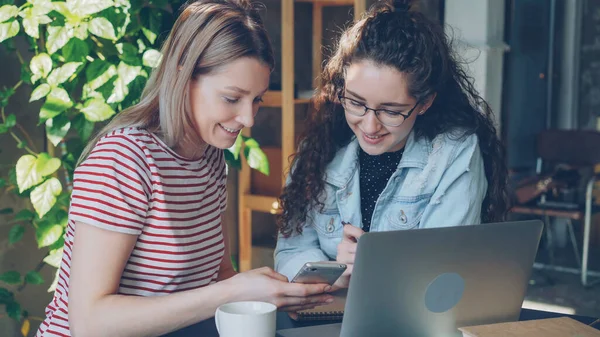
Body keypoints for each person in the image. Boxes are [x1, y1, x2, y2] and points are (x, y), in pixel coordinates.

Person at [37, 1, 334, 336]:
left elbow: (217, 278)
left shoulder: (208, 158)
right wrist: (233, 291)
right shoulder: (123, 160)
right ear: (182, 72)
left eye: (256, 99)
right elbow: (89, 323)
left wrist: (270, 295)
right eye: (231, 98)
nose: (248, 119)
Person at [274, 0, 509, 291]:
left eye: (391, 111)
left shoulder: (454, 153)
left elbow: (444, 272)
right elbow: (290, 253)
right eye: (356, 103)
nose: (370, 126)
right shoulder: (322, 146)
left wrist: (376, 266)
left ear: (424, 103)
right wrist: (335, 270)